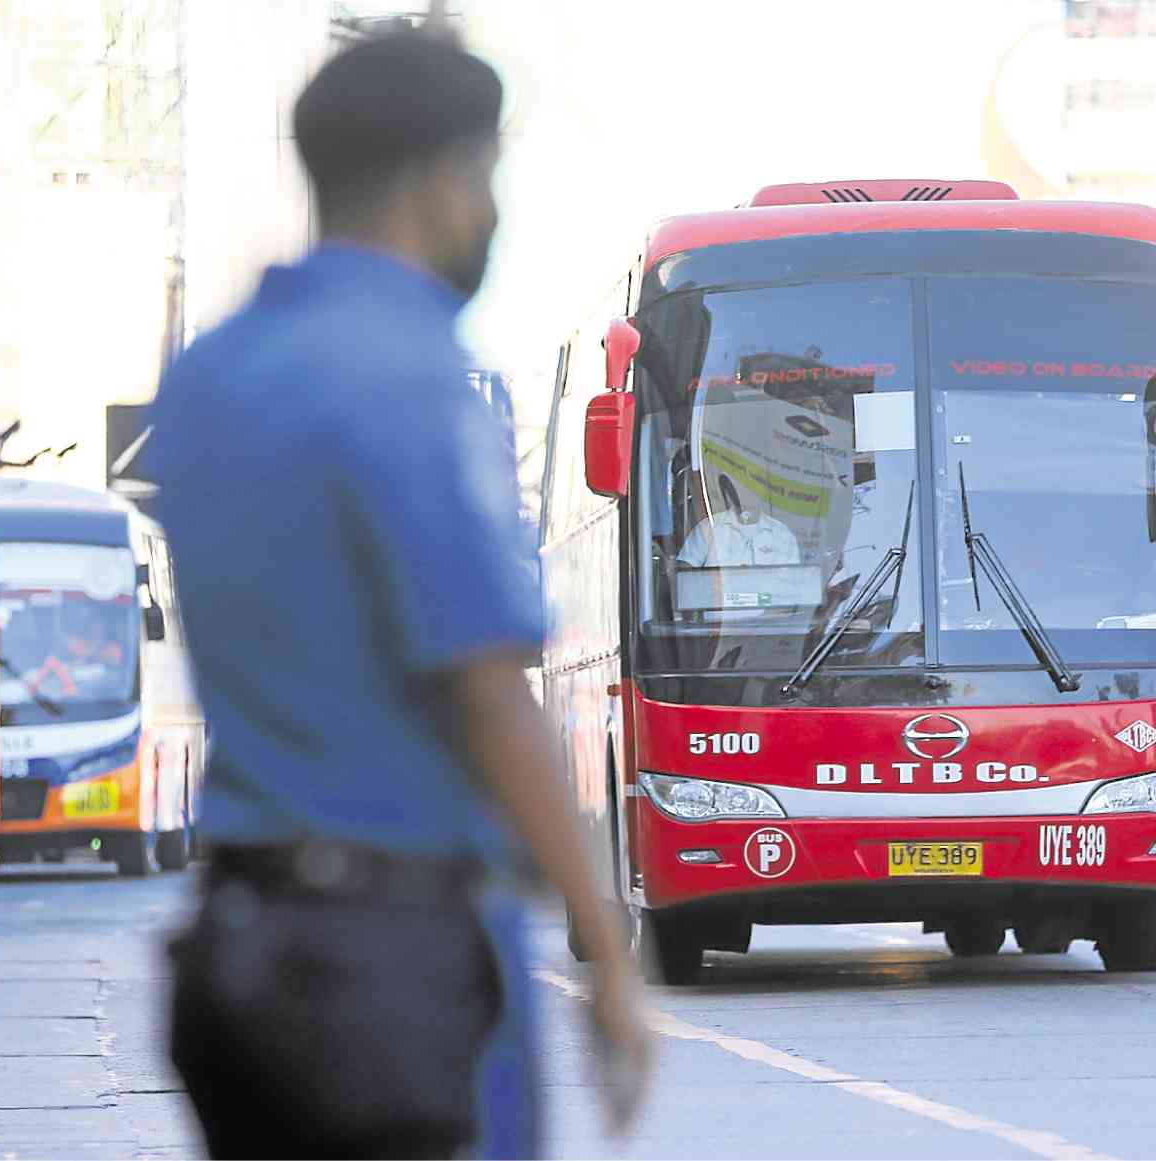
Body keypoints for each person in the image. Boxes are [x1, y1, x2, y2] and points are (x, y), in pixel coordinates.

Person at [145, 27, 648, 1161]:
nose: (489, 214)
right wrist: (610, 960)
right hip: (387, 973)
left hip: (236, 958)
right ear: (438, 180)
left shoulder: (208, 379)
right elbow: (484, 693)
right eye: (485, 180)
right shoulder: (411, 374)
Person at [678, 474, 802, 568]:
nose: (749, 492)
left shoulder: (782, 534)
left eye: (755, 486)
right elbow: (685, 574)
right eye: (745, 486)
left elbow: (792, 583)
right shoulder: (708, 528)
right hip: (716, 601)